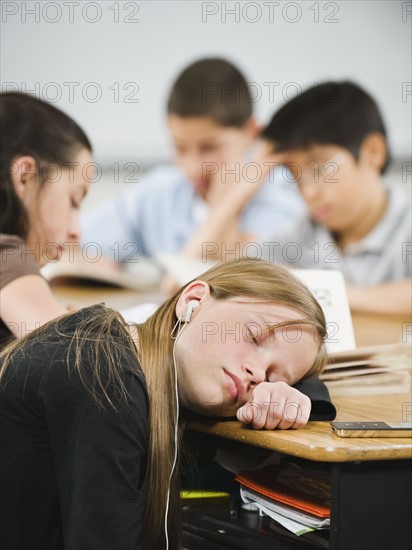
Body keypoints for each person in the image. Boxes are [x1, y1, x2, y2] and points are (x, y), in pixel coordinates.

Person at [0, 258, 334, 550]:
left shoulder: (140, 356)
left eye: (275, 378)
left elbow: (311, 383)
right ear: (193, 300)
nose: (257, 373)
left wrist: (294, 398)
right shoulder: (104, 378)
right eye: (254, 336)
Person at [190, 82, 411, 315]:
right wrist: (248, 182)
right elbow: (204, 275)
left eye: (319, 169)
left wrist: (323, 292)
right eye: (296, 177)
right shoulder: (304, 232)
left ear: (372, 152)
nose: (308, 192)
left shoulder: (406, 226)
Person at [80, 58, 304, 266]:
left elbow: (239, 280)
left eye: (210, 148)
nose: (192, 167)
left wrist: (231, 198)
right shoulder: (161, 190)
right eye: (180, 147)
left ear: (252, 133)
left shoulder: (282, 197)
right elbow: (75, 243)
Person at [0, 92, 94, 349]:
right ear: (26, 178)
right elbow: (75, 355)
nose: (77, 232)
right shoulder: (5, 255)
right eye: (73, 201)